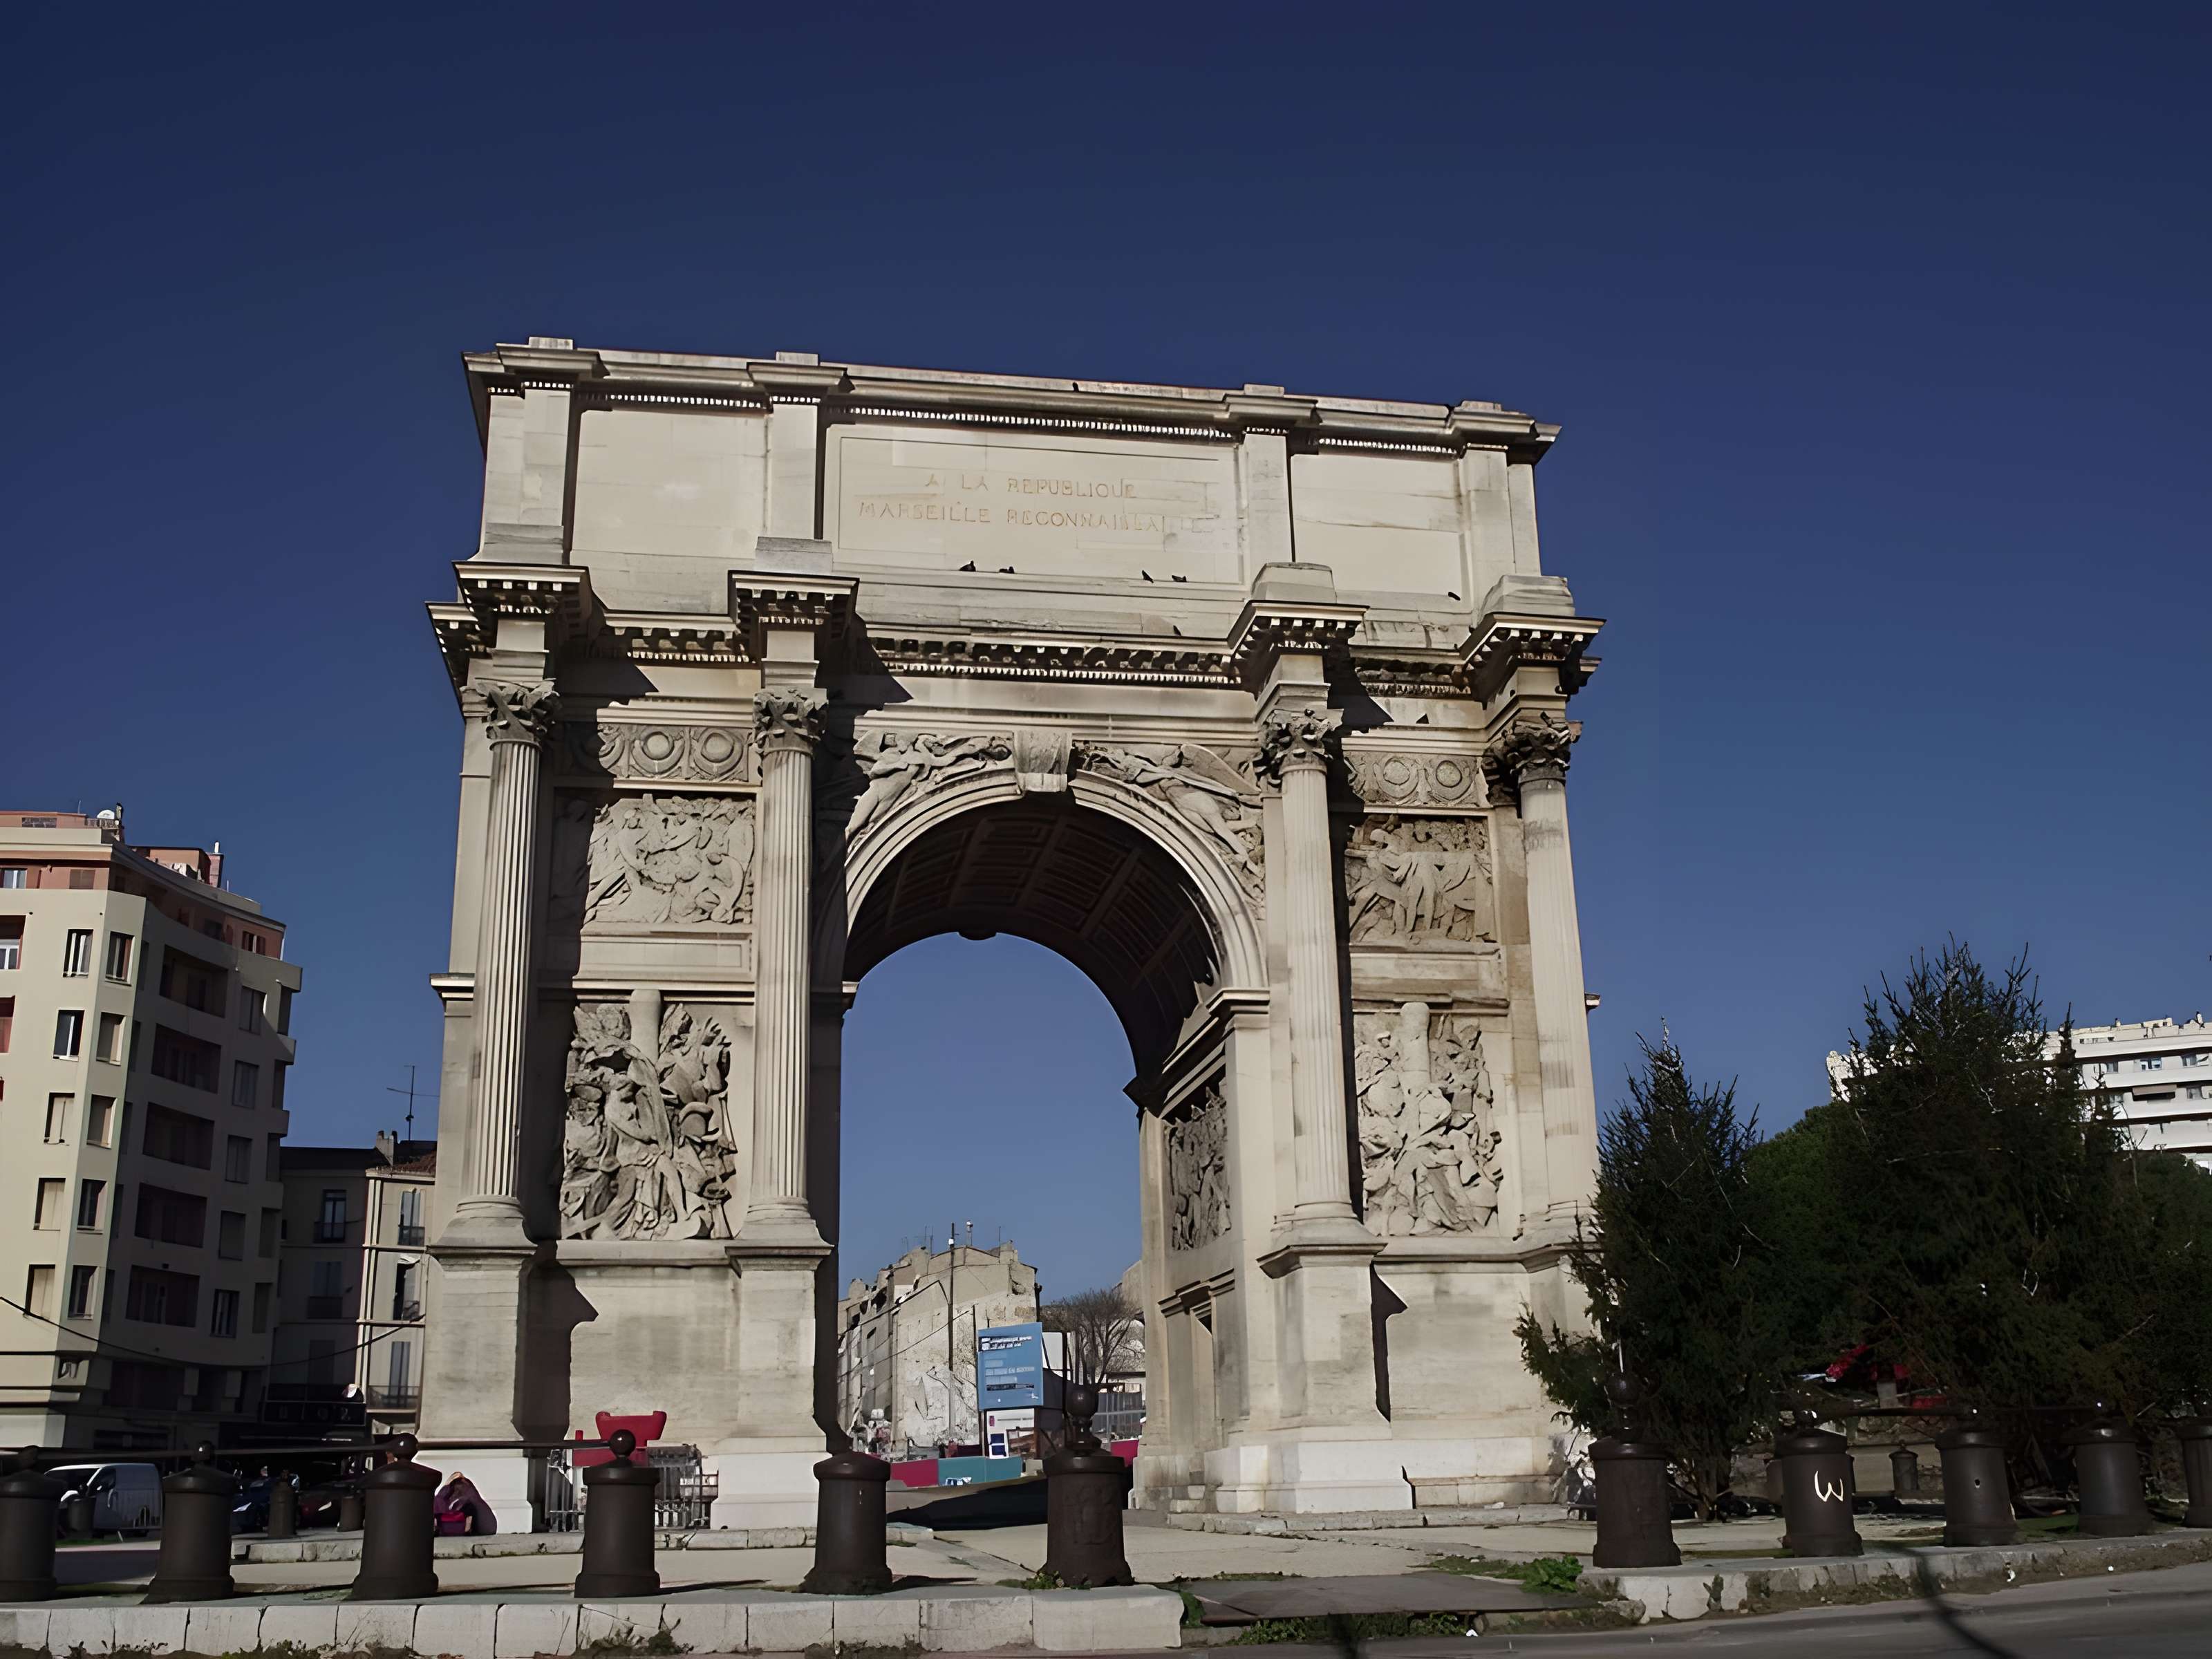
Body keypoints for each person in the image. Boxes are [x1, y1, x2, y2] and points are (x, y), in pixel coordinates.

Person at [434, 1470, 495, 1536]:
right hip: (451, 1518)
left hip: (454, 1520)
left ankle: (467, 1530)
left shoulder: (463, 1490)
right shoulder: (457, 1490)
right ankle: (467, 1530)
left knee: (469, 1508)